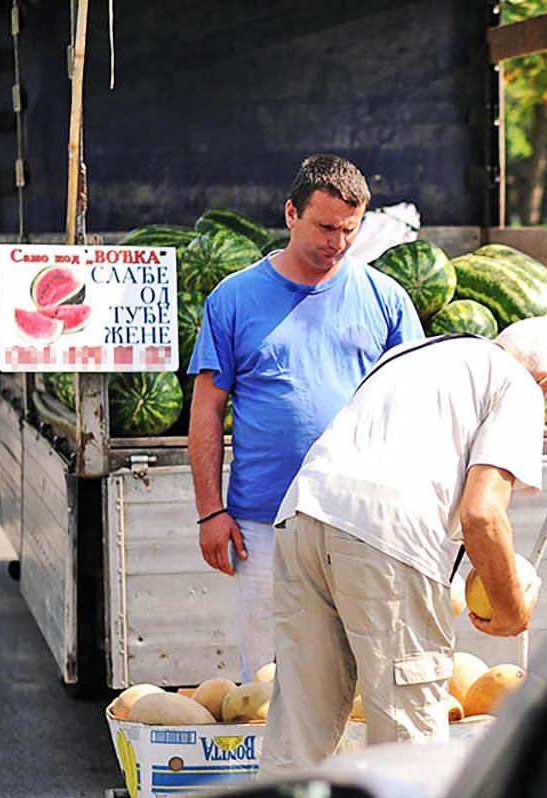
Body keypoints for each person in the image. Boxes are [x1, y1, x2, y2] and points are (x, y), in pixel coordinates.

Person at [258, 315, 547, 776]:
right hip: (387, 535)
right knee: (408, 740)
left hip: (304, 513)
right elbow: (483, 514)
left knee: (299, 730)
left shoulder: (417, 353)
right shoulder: (520, 385)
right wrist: (510, 609)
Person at [187, 154, 424, 680]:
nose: (336, 243)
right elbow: (207, 410)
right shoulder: (233, 298)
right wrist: (210, 511)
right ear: (291, 213)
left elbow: (417, 409)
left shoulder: (386, 299)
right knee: (267, 682)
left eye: (348, 229)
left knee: (361, 679)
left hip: (360, 523)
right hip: (264, 525)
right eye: (324, 227)